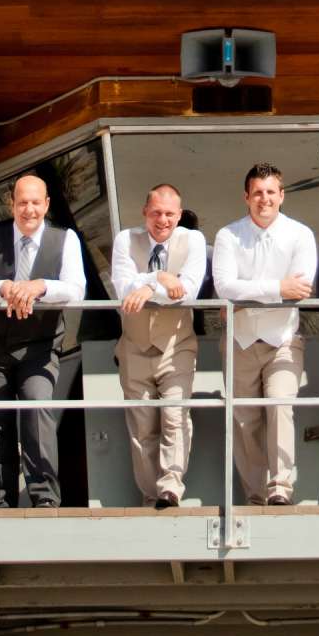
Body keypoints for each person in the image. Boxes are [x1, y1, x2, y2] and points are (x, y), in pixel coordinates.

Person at [0, 172, 86, 507]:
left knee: (36, 409)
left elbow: (76, 290)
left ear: (46, 205)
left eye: (35, 202)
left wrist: (40, 285)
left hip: (40, 346)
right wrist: (3, 288)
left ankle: (45, 500)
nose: (28, 210)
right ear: (11, 204)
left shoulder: (66, 240)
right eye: (22, 203)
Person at [211, 163, 317, 506]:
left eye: (271, 192)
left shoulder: (300, 235)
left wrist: (250, 298)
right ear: (246, 197)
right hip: (239, 341)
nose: (264, 199)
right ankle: (255, 495)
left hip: (283, 340)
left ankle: (280, 487)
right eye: (258, 192)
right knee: (245, 419)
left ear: (282, 195)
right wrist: (276, 289)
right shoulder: (228, 235)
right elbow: (225, 287)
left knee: (280, 405)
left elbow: (299, 289)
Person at [110, 182, 205, 508]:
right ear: (144, 213)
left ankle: (170, 488)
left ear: (179, 215)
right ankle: (151, 495)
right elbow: (123, 286)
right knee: (142, 426)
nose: (162, 220)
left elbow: (188, 291)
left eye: (168, 214)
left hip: (176, 345)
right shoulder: (126, 239)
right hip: (134, 346)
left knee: (175, 416)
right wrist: (160, 279)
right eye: (155, 213)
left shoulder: (193, 240)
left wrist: (149, 287)